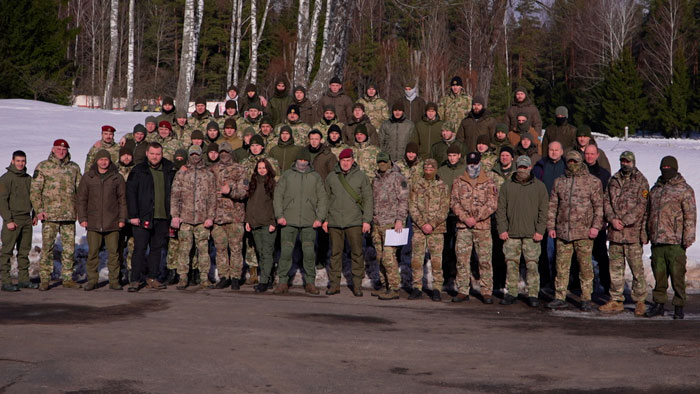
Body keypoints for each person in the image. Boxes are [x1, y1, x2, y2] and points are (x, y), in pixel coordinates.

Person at [546, 150, 604, 311]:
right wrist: (551, 226)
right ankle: (559, 296)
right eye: (569, 162)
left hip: (584, 232)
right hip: (563, 232)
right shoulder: (559, 182)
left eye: (574, 162)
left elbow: (599, 207)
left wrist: (595, 226)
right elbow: (552, 206)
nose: (571, 164)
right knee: (561, 267)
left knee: (585, 267)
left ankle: (586, 298)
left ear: (580, 162)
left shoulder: (593, 182)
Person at [645, 156, 696, 320]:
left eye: (669, 167)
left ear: (674, 168)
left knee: (677, 276)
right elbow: (649, 213)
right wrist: (647, 233)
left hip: (675, 241)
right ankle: (659, 304)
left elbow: (690, 216)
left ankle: (679, 306)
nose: (665, 169)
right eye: (663, 167)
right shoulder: (656, 189)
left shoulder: (684, 189)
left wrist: (688, 238)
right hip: (657, 240)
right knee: (659, 275)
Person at [599, 151, 649, 316]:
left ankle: (640, 300)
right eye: (622, 161)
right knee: (615, 269)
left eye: (628, 161)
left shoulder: (641, 181)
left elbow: (642, 206)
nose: (625, 164)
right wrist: (612, 219)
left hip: (632, 234)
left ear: (633, 162)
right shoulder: (613, 180)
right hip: (615, 234)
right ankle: (616, 299)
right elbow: (606, 201)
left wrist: (625, 221)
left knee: (636, 269)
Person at [496, 155, 548, 307]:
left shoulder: (539, 187)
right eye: (520, 167)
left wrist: (540, 230)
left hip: (532, 234)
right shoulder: (507, 186)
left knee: (532, 265)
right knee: (511, 265)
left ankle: (532, 294)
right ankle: (512, 292)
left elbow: (544, 211)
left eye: (525, 167)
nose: (522, 170)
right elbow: (501, 210)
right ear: (516, 167)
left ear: (530, 168)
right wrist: (502, 229)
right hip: (511, 233)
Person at [273, 150, 328, 295]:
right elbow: (278, 196)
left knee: (309, 253)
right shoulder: (287, 175)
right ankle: (283, 282)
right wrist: (279, 215)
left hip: (309, 221)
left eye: (305, 160)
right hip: (288, 220)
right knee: (285, 252)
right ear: (296, 160)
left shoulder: (315, 177)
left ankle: (310, 282)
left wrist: (319, 218)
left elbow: (322, 198)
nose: (302, 162)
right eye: (300, 159)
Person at [30, 139, 81, 290]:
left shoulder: (74, 168)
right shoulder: (43, 167)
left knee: (69, 248)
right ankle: (45, 279)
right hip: (49, 216)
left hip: (68, 216)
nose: (61, 151)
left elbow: (80, 191)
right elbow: (35, 191)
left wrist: (79, 211)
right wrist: (39, 211)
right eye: (58, 149)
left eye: (64, 150)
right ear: (53, 149)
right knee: (47, 248)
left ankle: (67, 278)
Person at [323, 149, 373, 296]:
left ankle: (357, 285)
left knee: (357, 254)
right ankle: (334, 284)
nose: (345, 163)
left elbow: (368, 199)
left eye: (348, 160)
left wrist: (367, 220)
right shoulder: (332, 177)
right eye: (343, 160)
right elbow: (325, 199)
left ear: (352, 161)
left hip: (354, 221)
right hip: (335, 221)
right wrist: (325, 219)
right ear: (340, 161)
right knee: (335, 254)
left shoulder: (361, 177)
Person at [450, 152, 499, 303]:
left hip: (482, 227)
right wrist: (465, 218)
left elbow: (492, 204)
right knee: (462, 259)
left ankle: (486, 291)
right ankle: (463, 290)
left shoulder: (489, 182)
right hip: (464, 227)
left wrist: (476, 218)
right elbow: (453, 202)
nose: (473, 166)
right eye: (471, 163)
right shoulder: (458, 181)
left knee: (484, 260)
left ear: (480, 163)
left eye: (476, 163)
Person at [126, 142, 175, 292]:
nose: (155, 157)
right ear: (147, 154)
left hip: (162, 216)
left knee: (156, 249)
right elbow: (130, 193)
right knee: (139, 249)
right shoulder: (139, 170)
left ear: (162, 154)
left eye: (158, 154)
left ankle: (152, 278)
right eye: (152, 153)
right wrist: (133, 215)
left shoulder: (169, 168)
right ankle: (135, 279)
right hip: (143, 216)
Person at [77, 150, 126, 291]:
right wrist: (83, 218)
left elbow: (122, 200)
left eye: (106, 160)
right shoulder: (88, 177)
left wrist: (122, 218)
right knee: (93, 253)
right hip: (93, 222)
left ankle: (114, 280)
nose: (103, 162)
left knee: (114, 253)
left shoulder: (117, 178)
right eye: (101, 159)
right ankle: (92, 280)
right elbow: (81, 199)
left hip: (113, 222)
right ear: (96, 161)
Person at [170, 145, 217, 289]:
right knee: (184, 250)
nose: (195, 157)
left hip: (202, 220)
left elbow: (212, 198)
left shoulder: (208, 174)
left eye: (197, 154)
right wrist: (175, 216)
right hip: (185, 219)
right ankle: (183, 277)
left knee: (203, 251)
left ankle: (204, 278)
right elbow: (175, 196)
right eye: (192, 154)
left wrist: (210, 217)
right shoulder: (181, 174)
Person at [209, 142, 249, 290]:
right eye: (222, 152)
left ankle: (235, 277)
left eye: (227, 151)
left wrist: (230, 191)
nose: (224, 154)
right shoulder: (213, 170)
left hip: (235, 217)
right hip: (217, 217)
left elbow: (244, 192)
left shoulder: (239, 169)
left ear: (231, 152)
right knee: (220, 249)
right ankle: (224, 276)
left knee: (236, 248)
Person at [408, 158, 449, 301]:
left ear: (436, 169)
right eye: (426, 168)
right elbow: (412, 206)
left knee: (437, 261)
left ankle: (437, 288)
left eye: (431, 168)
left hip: (436, 229)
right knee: (416, 260)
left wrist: (431, 224)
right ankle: (417, 287)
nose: (428, 170)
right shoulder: (416, 185)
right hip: (419, 229)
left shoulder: (442, 186)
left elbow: (444, 208)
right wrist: (421, 224)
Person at [370, 152, 409, 300]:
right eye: (379, 162)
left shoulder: (398, 178)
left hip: (392, 224)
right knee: (380, 257)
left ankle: (394, 287)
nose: (381, 164)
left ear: (390, 162)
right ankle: (385, 285)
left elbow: (404, 200)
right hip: (378, 223)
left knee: (388, 257)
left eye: (384, 162)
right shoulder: (375, 180)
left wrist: (400, 219)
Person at [0, 151, 36, 291]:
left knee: (24, 251)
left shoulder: (28, 179)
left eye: (23, 161)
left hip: (26, 219)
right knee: (7, 252)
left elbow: (34, 198)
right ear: (12, 161)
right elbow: (2, 201)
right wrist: (8, 219)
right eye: (18, 161)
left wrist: (34, 214)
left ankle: (24, 280)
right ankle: (6, 281)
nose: (21, 164)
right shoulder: (6, 179)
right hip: (13, 219)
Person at [533, 141, 565, 291]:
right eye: (551, 150)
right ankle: (545, 279)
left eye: (556, 150)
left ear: (561, 151)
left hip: (562, 213)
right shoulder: (541, 166)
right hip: (543, 210)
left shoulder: (566, 166)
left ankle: (560, 280)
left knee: (560, 249)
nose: (553, 152)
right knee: (545, 248)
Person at [245, 159, 277, 292]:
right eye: (259, 168)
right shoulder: (253, 183)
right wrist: (247, 220)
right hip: (254, 223)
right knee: (260, 252)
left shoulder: (272, 184)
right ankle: (268, 278)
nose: (262, 170)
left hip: (267, 223)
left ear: (268, 169)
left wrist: (273, 222)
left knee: (267, 252)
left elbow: (277, 204)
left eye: (264, 168)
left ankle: (263, 281)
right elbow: (250, 203)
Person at [584, 144, 611, 294]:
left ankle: (606, 285)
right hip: (580, 221)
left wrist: (604, 218)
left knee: (601, 254)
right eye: (587, 154)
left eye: (592, 154)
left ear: (597, 155)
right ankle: (580, 286)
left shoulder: (604, 174)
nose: (589, 156)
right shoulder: (578, 172)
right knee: (580, 255)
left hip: (598, 221)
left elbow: (607, 198)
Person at [437, 146, 466, 288]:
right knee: (445, 246)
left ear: (459, 155)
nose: (452, 158)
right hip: (445, 213)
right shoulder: (442, 171)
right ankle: (446, 275)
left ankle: (459, 276)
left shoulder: (464, 170)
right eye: (450, 155)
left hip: (460, 213)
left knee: (459, 247)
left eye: (455, 155)